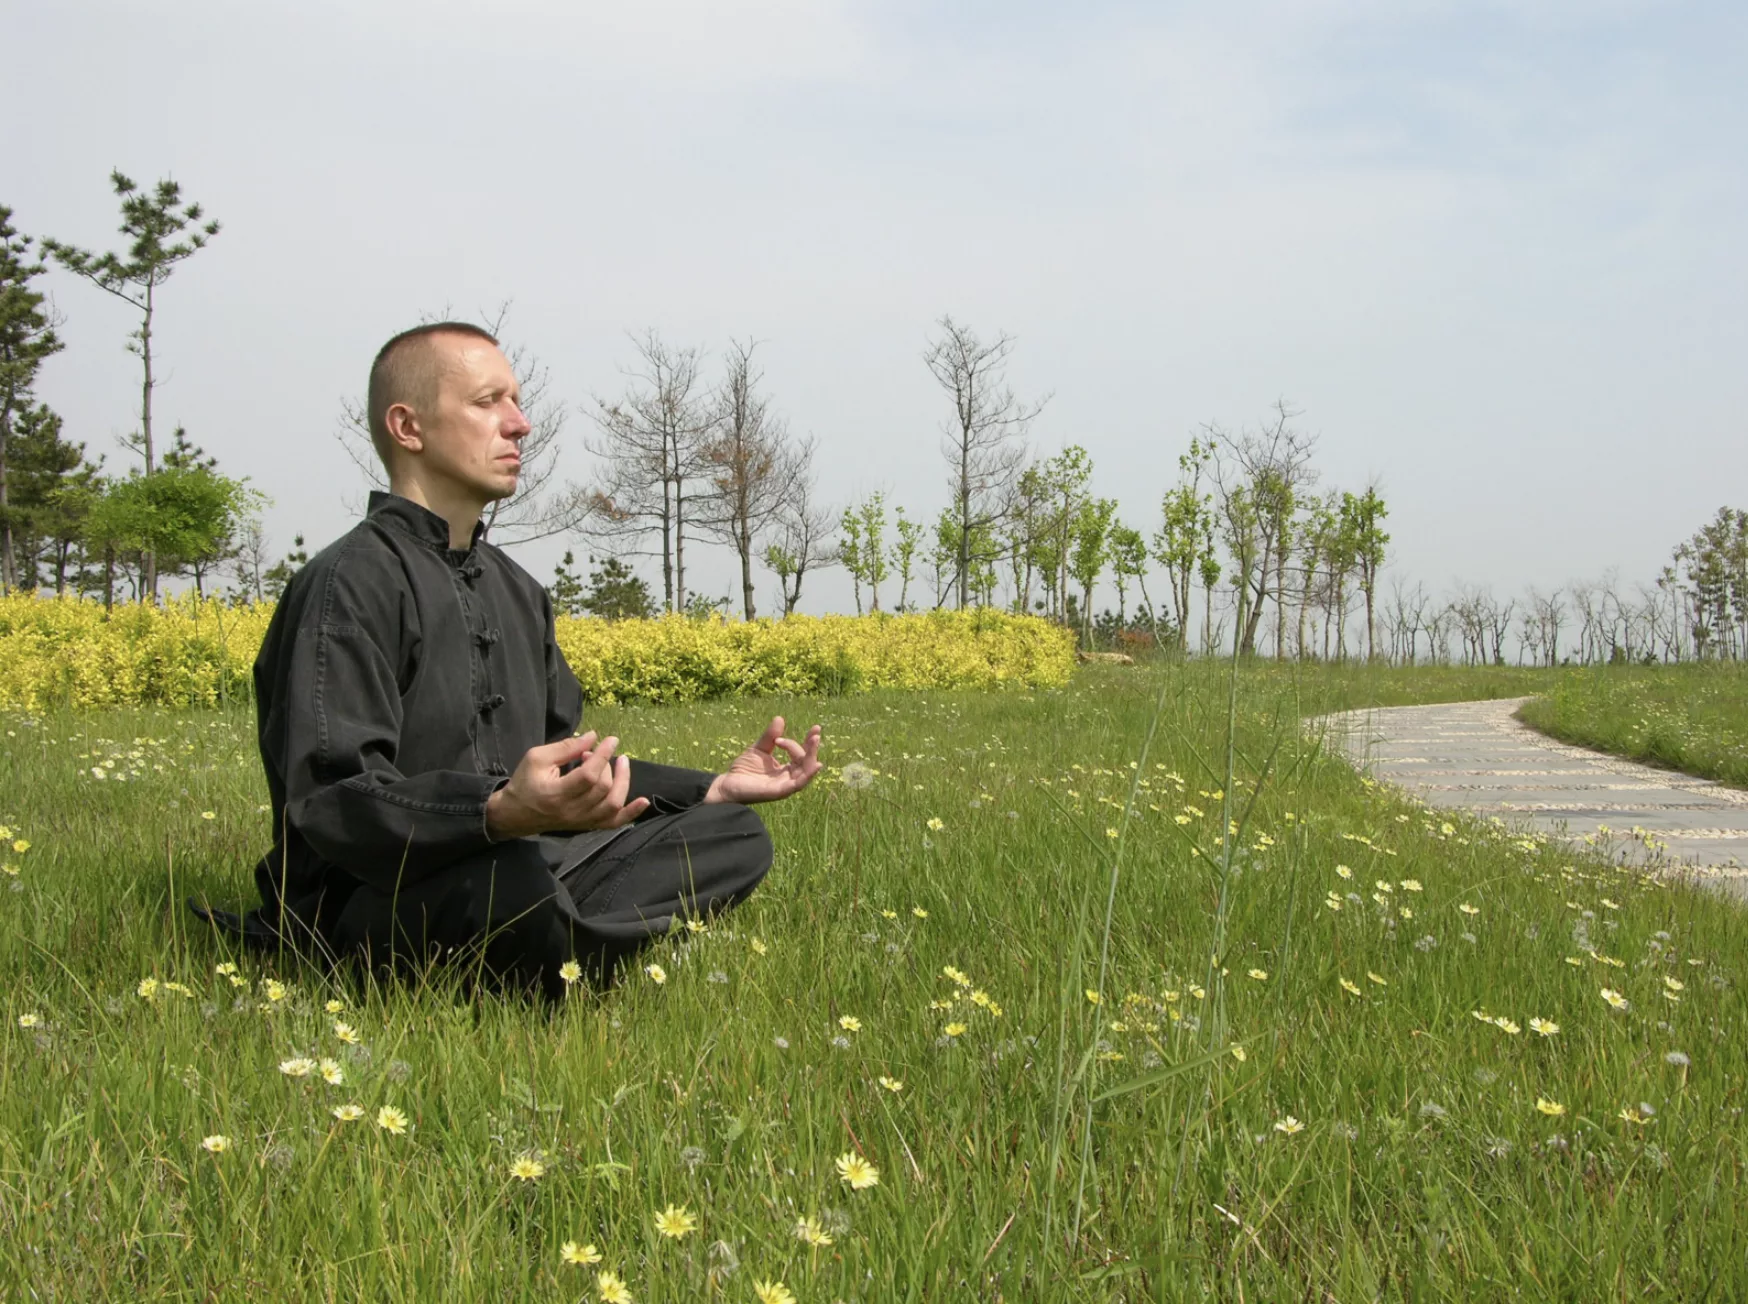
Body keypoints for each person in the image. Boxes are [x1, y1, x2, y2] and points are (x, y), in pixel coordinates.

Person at [196, 321, 822, 998]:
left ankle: (558, 943)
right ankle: (568, 953)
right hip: (378, 893)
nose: (519, 424)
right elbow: (330, 803)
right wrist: (493, 813)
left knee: (732, 834)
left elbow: (566, 770)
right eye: (487, 401)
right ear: (408, 427)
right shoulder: (347, 583)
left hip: (524, 860)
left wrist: (710, 788)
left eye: (516, 402)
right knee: (511, 883)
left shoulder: (520, 592)